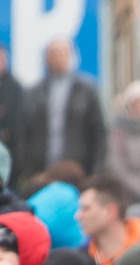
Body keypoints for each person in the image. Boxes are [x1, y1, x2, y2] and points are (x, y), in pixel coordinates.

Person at [20, 37, 106, 178]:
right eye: (54, 54)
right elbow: (23, 133)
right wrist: (28, 169)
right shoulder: (34, 93)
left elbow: (98, 133)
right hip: (42, 169)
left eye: (63, 53)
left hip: (77, 169)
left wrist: (95, 171)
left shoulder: (86, 90)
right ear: (47, 58)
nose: (59, 58)